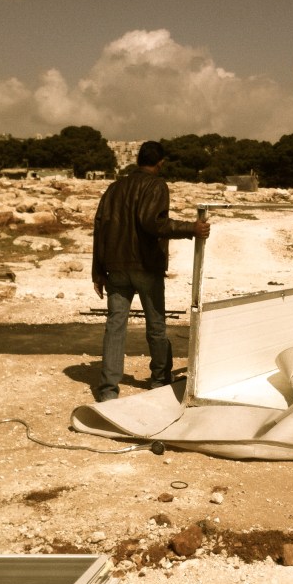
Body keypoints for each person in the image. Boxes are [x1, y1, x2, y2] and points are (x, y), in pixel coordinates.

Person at [91, 141, 211, 402]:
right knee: (155, 326)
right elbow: (152, 223)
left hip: (115, 267)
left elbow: (99, 227)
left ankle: (108, 391)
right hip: (145, 266)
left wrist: (97, 271)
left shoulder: (113, 188)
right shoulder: (156, 185)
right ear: (160, 163)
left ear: (138, 160)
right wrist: (192, 228)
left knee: (115, 326)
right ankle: (159, 380)